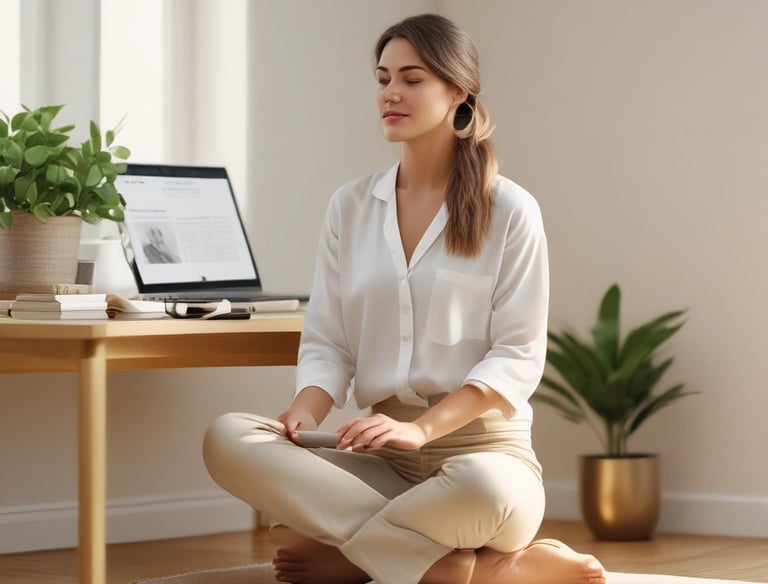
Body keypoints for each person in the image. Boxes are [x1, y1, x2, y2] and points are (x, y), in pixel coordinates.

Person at [203, 13, 606, 584]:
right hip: (379, 459)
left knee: (480, 490)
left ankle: (356, 555)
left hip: (484, 461)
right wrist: (305, 412)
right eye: (383, 77)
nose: (390, 93)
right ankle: (481, 569)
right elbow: (329, 340)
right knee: (229, 437)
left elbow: (517, 356)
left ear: (457, 91)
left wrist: (423, 429)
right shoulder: (350, 205)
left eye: (412, 79)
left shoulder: (511, 210)